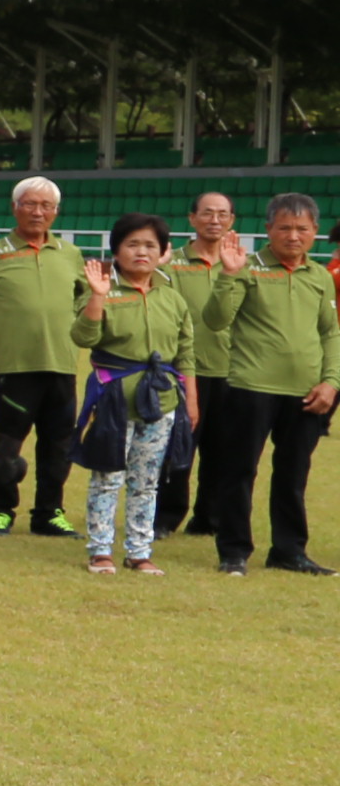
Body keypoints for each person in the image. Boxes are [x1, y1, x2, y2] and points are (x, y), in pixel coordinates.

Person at [193, 192, 340, 577]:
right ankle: (234, 551)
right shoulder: (247, 267)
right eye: (285, 228)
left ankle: (289, 551)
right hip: (250, 386)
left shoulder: (321, 276)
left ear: (316, 232)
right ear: (268, 229)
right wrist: (228, 274)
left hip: (306, 393)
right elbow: (215, 320)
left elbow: (330, 334)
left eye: (302, 229)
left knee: (294, 474)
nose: (294, 236)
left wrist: (331, 382)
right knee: (239, 471)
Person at [72, 215, 197, 576]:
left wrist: (190, 400)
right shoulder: (101, 290)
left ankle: (139, 552)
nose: (141, 252)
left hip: (163, 400)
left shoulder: (172, 298)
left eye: (150, 246)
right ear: (117, 250)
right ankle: (100, 551)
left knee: (147, 481)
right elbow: (83, 338)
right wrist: (97, 297)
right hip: (114, 399)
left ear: (162, 252)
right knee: (108, 476)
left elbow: (185, 352)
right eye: (133, 244)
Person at [0, 177, 88, 539]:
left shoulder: (70, 254)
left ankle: (49, 513)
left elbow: (83, 296)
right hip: (12, 367)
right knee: (6, 446)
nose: (38, 212)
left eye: (46, 206)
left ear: (55, 212)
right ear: (14, 208)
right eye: (30, 204)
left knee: (58, 447)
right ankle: (1, 510)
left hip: (62, 365)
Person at [162, 188, 248, 540]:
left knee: (224, 451)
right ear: (192, 218)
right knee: (178, 449)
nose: (215, 220)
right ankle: (166, 516)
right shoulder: (174, 263)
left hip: (232, 370)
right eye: (207, 213)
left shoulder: (244, 265)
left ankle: (208, 518)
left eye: (223, 214)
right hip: (184, 370)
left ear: (232, 221)